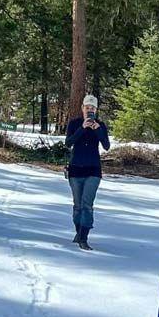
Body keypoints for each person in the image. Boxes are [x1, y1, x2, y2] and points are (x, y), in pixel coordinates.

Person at [64, 94, 110, 250]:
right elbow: (68, 143)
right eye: (87, 108)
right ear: (82, 108)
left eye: (92, 108)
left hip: (93, 170)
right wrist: (82, 128)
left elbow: (106, 146)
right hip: (75, 170)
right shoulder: (75, 124)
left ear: (96, 110)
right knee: (77, 205)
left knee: (87, 204)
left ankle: (84, 238)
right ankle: (78, 232)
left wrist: (98, 131)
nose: (89, 111)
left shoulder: (100, 125)